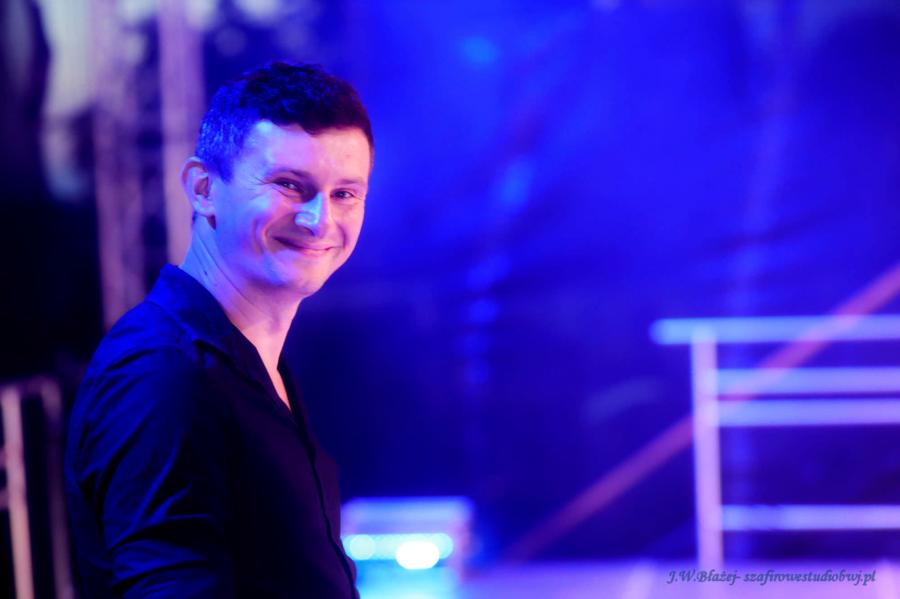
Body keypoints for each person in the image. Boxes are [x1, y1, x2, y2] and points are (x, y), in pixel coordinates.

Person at [64, 61, 373, 598]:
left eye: (345, 193)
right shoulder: (166, 375)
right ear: (203, 188)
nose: (320, 220)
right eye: (289, 185)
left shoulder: (239, 363)